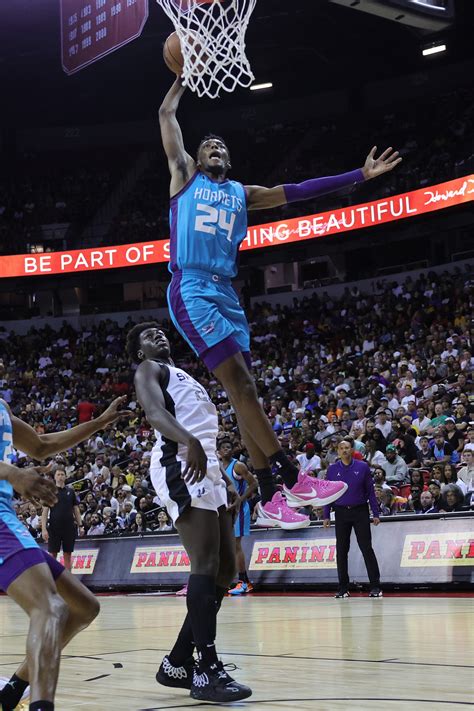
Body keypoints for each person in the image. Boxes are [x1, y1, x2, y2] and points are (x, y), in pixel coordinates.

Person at [158, 77, 399, 527]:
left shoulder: (242, 194)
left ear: (227, 158)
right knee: (243, 388)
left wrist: (359, 176)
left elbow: (302, 189)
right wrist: (178, 81)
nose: (212, 147)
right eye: (206, 143)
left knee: (242, 392)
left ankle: (269, 496)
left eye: (219, 145)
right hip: (191, 286)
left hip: (227, 294)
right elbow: (166, 118)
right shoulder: (183, 176)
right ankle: (291, 476)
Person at [126, 322, 251, 702]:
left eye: (160, 332)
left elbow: (203, 429)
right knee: (204, 563)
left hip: (206, 465)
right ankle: (206, 669)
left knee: (226, 570)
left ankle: (178, 662)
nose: (158, 336)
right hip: (178, 461)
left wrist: (222, 475)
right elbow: (153, 414)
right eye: (148, 336)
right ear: (139, 352)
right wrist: (190, 440)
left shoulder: (185, 375)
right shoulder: (149, 369)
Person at [0, 395, 129, 711]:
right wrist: (12, 474)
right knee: (50, 608)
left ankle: (13, 689)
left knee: (83, 606)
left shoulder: (2, 407)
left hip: (5, 515)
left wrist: (97, 424)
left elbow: (41, 445)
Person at [323, 439, 382, 599]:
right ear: (337, 451)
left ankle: (375, 586)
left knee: (366, 548)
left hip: (360, 511)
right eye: (341, 448)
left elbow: (370, 491)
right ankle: (343, 588)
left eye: (347, 448)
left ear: (352, 449)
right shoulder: (332, 470)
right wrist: (326, 514)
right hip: (341, 513)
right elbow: (328, 494)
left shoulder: (362, 467)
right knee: (341, 551)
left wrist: (375, 513)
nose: (344, 451)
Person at [218, 438, 257, 596]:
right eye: (223, 447)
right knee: (226, 547)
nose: (227, 449)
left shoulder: (238, 466)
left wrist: (240, 499)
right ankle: (228, 580)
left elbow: (254, 483)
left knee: (235, 545)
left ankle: (244, 582)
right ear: (219, 452)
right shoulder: (219, 467)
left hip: (239, 509)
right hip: (226, 510)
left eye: (229, 447)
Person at [41, 468, 83, 571]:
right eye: (58, 474)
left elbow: (76, 509)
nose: (60, 476)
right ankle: (53, 580)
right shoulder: (50, 492)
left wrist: (80, 525)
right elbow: (45, 512)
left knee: (67, 554)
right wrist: (44, 529)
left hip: (69, 527)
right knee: (53, 554)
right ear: (54, 477)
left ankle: (69, 582)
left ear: (65, 476)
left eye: (62, 474)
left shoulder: (70, 491)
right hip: (54, 528)